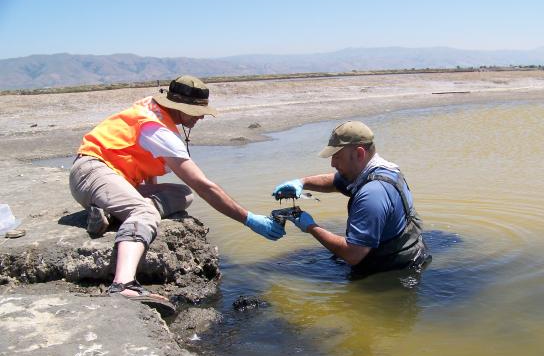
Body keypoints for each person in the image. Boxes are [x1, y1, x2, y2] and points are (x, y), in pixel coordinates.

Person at [70, 75, 284, 310]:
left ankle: (109, 214)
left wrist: (144, 192)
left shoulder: (154, 110)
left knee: (183, 194)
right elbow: (205, 186)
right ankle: (123, 286)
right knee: (144, 212)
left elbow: (149, 167)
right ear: (180, 107)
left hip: (112, 179)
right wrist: (249, 219)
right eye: (197, 111)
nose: (202, 116)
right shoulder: (159, 130)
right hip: (92, 172)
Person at [273, 121, 430, 277]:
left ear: (359, 154)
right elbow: (335, 182)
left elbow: (353, 255)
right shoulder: (384, 170)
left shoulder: (373, 194)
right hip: (409, 255)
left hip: (395, 274)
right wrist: (302, 183)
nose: (332, 163)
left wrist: (310, 227)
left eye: (337, 156)